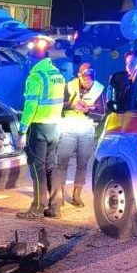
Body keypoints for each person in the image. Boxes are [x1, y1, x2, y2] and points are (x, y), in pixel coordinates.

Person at [16, 40, 66, 220]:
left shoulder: (36, 77)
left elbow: (30, 107)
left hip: (39, 128)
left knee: (37, 169)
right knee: (50, 167)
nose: (28, 62)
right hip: (55, 127)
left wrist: (22, 131)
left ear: (33, 59)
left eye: (29, 59)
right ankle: (55, 208)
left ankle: (37, 208)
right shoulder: (57, 74)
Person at [53, 64, 105, 209]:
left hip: (87, 129)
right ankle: (59, 195)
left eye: (90, 81)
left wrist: (88, 111)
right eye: (85, 80)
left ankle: (77, 195)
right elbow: (57, 105)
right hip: (68, 128)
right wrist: (72, 105)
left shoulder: (99, 89)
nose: (88, 83)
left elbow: (102, 113)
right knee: (62, 162)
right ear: (79, 76)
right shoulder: (69, 86)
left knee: (82, 164)